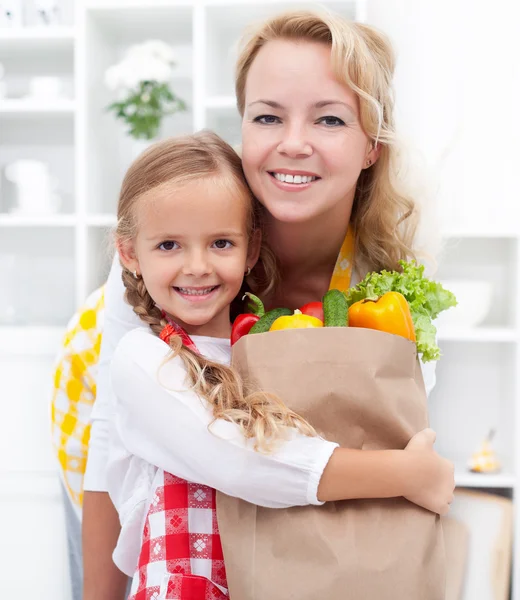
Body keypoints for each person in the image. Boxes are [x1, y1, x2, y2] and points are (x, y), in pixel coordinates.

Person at [81, 9, 452, 599]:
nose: (293, 143)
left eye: (330, 119)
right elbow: (107, 444)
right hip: (132, 420)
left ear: (371, 148)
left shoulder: (389, 281)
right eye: (267, 117)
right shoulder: (180, 247)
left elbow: (378, 445)